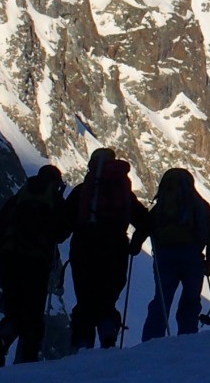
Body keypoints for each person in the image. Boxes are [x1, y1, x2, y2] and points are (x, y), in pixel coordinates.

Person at [64, 148, 149, 350]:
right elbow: (144, 220)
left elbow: (64, 222)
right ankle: (108, 332)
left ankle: (82, 345)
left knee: (85, 299)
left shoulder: (83, 190)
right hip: (115, 247)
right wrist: (135, 244)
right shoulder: (124, 192)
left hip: (84, 246)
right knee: (107, 299)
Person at [0, 165, 70, 366]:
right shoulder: (54, 201)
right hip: (37, 263)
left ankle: (0, 338)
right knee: (32, 314)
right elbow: (62, 232)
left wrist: (3, 253)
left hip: (10, 261)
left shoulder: (19, 198)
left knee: (14, 310)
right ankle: (27, 363)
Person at [129, 167, 210, 340]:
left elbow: (145, 227)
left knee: (162, 299)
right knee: (191, 300)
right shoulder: (199, 204)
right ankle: (187, 336)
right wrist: (209, 261)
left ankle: (152, 339)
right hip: (192, 258)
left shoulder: (161, 205)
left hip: (165, 258)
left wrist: (134, 246)